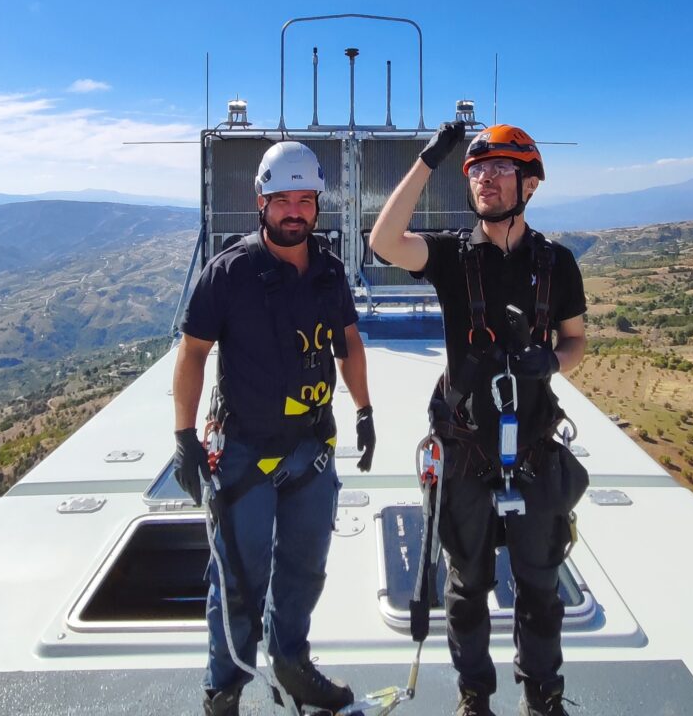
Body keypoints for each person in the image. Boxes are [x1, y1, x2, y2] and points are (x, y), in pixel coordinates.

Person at [369, 123, 588, 716]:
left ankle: (543, 697)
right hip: (465, 447)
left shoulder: (556, 263)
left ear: (530, 183)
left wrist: (553, 362)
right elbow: (384, 241)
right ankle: (475, 699)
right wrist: (428, 160)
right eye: (476, 170)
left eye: (498, 169)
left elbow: (575, 342)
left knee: (541, 590)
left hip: (536, 449)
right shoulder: (449, 256)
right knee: (467, 591)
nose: (484, 179)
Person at [171, 141, 376, 716]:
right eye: (281, 199)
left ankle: (291, 663)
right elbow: (192, 355)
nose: (293, 211)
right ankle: (225, 690)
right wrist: (185, 440)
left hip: (311, 448)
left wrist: (363, 410)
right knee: (238, 580)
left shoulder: (330, 272)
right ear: (260, 202)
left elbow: (349, 344)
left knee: (304, 571)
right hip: (244, 453)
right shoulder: (230, 273)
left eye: (303, 200)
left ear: (318, 206)